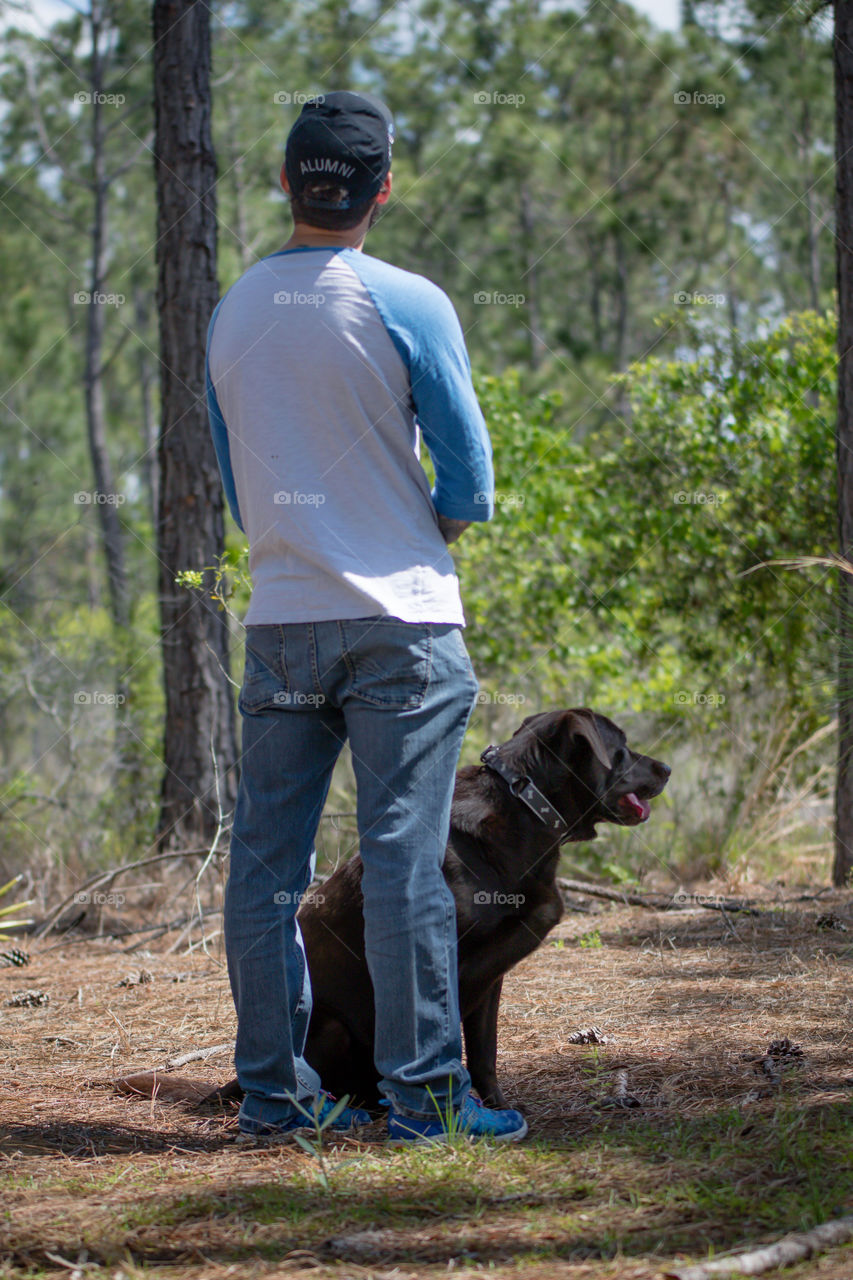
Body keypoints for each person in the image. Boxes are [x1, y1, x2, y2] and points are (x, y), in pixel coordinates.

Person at [206, 90, 527, 1143]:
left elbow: (238, 484)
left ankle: (272, 1096)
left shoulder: (234, 310)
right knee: (401, 860)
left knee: (264, 867)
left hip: (282, 619)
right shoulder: (410, 300)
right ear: (382, 186)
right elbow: (470, 480)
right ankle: (427, 1102)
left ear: (285, 182)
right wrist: (412, 534)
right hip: (404, 623)